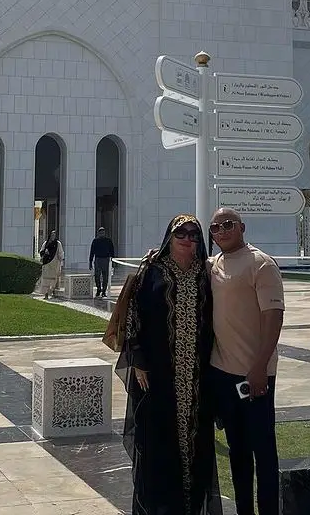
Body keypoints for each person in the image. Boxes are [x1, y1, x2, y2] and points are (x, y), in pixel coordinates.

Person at [116, 215, 221, 515]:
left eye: (194, 235)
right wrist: (137, 361)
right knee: (158, 446)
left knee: (195, 447)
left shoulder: (205, 274)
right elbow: (135, 315)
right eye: (181, 234)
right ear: (169, 238)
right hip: (159, 376)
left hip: (198, 378)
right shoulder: (153, 270)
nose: (188, 240)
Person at [208, 207, 284, 515]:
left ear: (242, 227)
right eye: (215, 228)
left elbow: (274, 316)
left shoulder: (260, 264)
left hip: (253, 376)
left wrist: (260, 367)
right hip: (223, 376)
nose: (222, 231)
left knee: (263, 452)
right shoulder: (213, 265)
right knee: (237, 451)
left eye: (228, 224)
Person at [88, 227, 115, 298]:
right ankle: (98, 289)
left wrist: (113, 262)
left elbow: (112, 251)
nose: (102, 234)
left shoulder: (108, 241)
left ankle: (104, 291)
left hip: (106, 259)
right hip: (98, 259)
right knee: (97, 276)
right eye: (101, 232)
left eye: (103, 232)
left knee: (105, 277)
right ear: (98, 233)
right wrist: (90, 262)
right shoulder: (95, 241)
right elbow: (92, 252)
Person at [38, 230, 64, 298]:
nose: (53, 236)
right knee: (46, 280)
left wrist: (61, 261)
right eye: (52, 235)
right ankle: (46, 294)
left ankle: (53, 292)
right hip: (47, 264)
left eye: (54, 235)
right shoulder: (46, 243)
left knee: (54, 280)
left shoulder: (58, 243)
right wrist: (45, 252)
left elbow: (60, 253)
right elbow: (41, 252)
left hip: (55, 263)